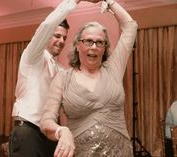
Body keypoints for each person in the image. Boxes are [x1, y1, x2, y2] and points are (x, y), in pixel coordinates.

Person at [40, 0, 138, 156]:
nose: (94, 46)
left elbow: (130, 26)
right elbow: (46, 121)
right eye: (88, 41)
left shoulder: (114, 69)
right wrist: (61, 131)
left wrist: (110, 1)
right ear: (78, 45)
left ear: (104, 47)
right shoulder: (63, 78)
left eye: (100, 42)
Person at [8, 2, 71, 157]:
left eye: (64, 37)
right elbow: (47, 25)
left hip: (49, 133)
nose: (62, 41)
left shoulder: (59, 69)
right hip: (28, 131)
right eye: (57, 35)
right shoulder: (33, 56)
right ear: (47, 36)